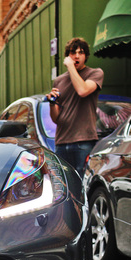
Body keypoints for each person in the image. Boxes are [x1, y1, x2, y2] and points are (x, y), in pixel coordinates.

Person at [46, 37, 104, 177]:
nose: (76, 56)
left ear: (86, 56)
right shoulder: (59, 80)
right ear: (68, 55)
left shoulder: (95, 73)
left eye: (81, 52)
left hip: (83, 142)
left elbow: (82, 91)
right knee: (64, 186)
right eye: (73, 52)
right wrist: (52, 103)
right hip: (61, 142)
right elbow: (56, 119)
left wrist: (71, 67)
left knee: (82, 185)